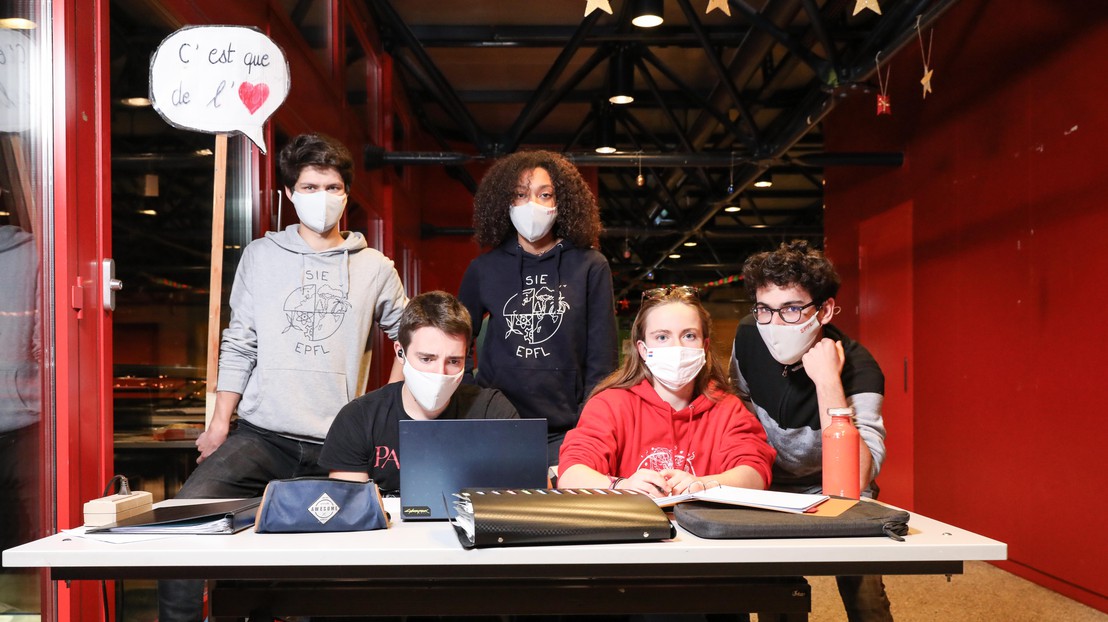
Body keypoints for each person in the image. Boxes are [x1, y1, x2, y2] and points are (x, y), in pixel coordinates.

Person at [159, 133, 409, 622]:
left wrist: (385, 409)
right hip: (262, 435)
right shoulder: (260, 255)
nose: (323, 197)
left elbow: (410, 338)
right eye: (311, 187)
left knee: (336, 571)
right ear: (290, 194)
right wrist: (218, 424)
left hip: (341, 445)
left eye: (333, 187)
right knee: (182, 521)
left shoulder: (376, 268)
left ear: (346, 192)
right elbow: (240, 342)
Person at [730, 239, 890, 622]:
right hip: (771, 486)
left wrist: (828, 384)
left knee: (867, 602)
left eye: (791, 309)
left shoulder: (860, 367)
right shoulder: (749, 336)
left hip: (839, 490)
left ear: (825, 310)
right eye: (765, 309)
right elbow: (739, 407)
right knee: (779, 598)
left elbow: (857, 477)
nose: (774, 324)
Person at [458, 150, 618, 466]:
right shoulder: (484, 268)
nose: (532, 205)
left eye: (545, 195)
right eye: (520, 195)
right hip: (496, 425)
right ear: (505, 203)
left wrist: (589, 423)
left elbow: (603, 359)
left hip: (567, 431)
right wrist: (469, 396)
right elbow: (455, 337)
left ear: (563, 203)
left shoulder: (590, 266)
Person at [558, 285, 775, 496]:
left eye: (689, 335)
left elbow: (755, 473)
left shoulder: (727, 409)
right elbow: (570, 474)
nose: (677, 347)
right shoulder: (610, 405)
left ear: (704, 346)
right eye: (662, 337)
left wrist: (703, 484)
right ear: (643, 349)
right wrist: (621, 486)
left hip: (704, 529)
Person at [320, 290, 519, 492]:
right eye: (427, 359)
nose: (440, 373)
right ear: (400, 352)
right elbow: (350, 510)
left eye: (453, 361)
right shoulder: (359, 418)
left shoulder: (493, 413)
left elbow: (526, 497)